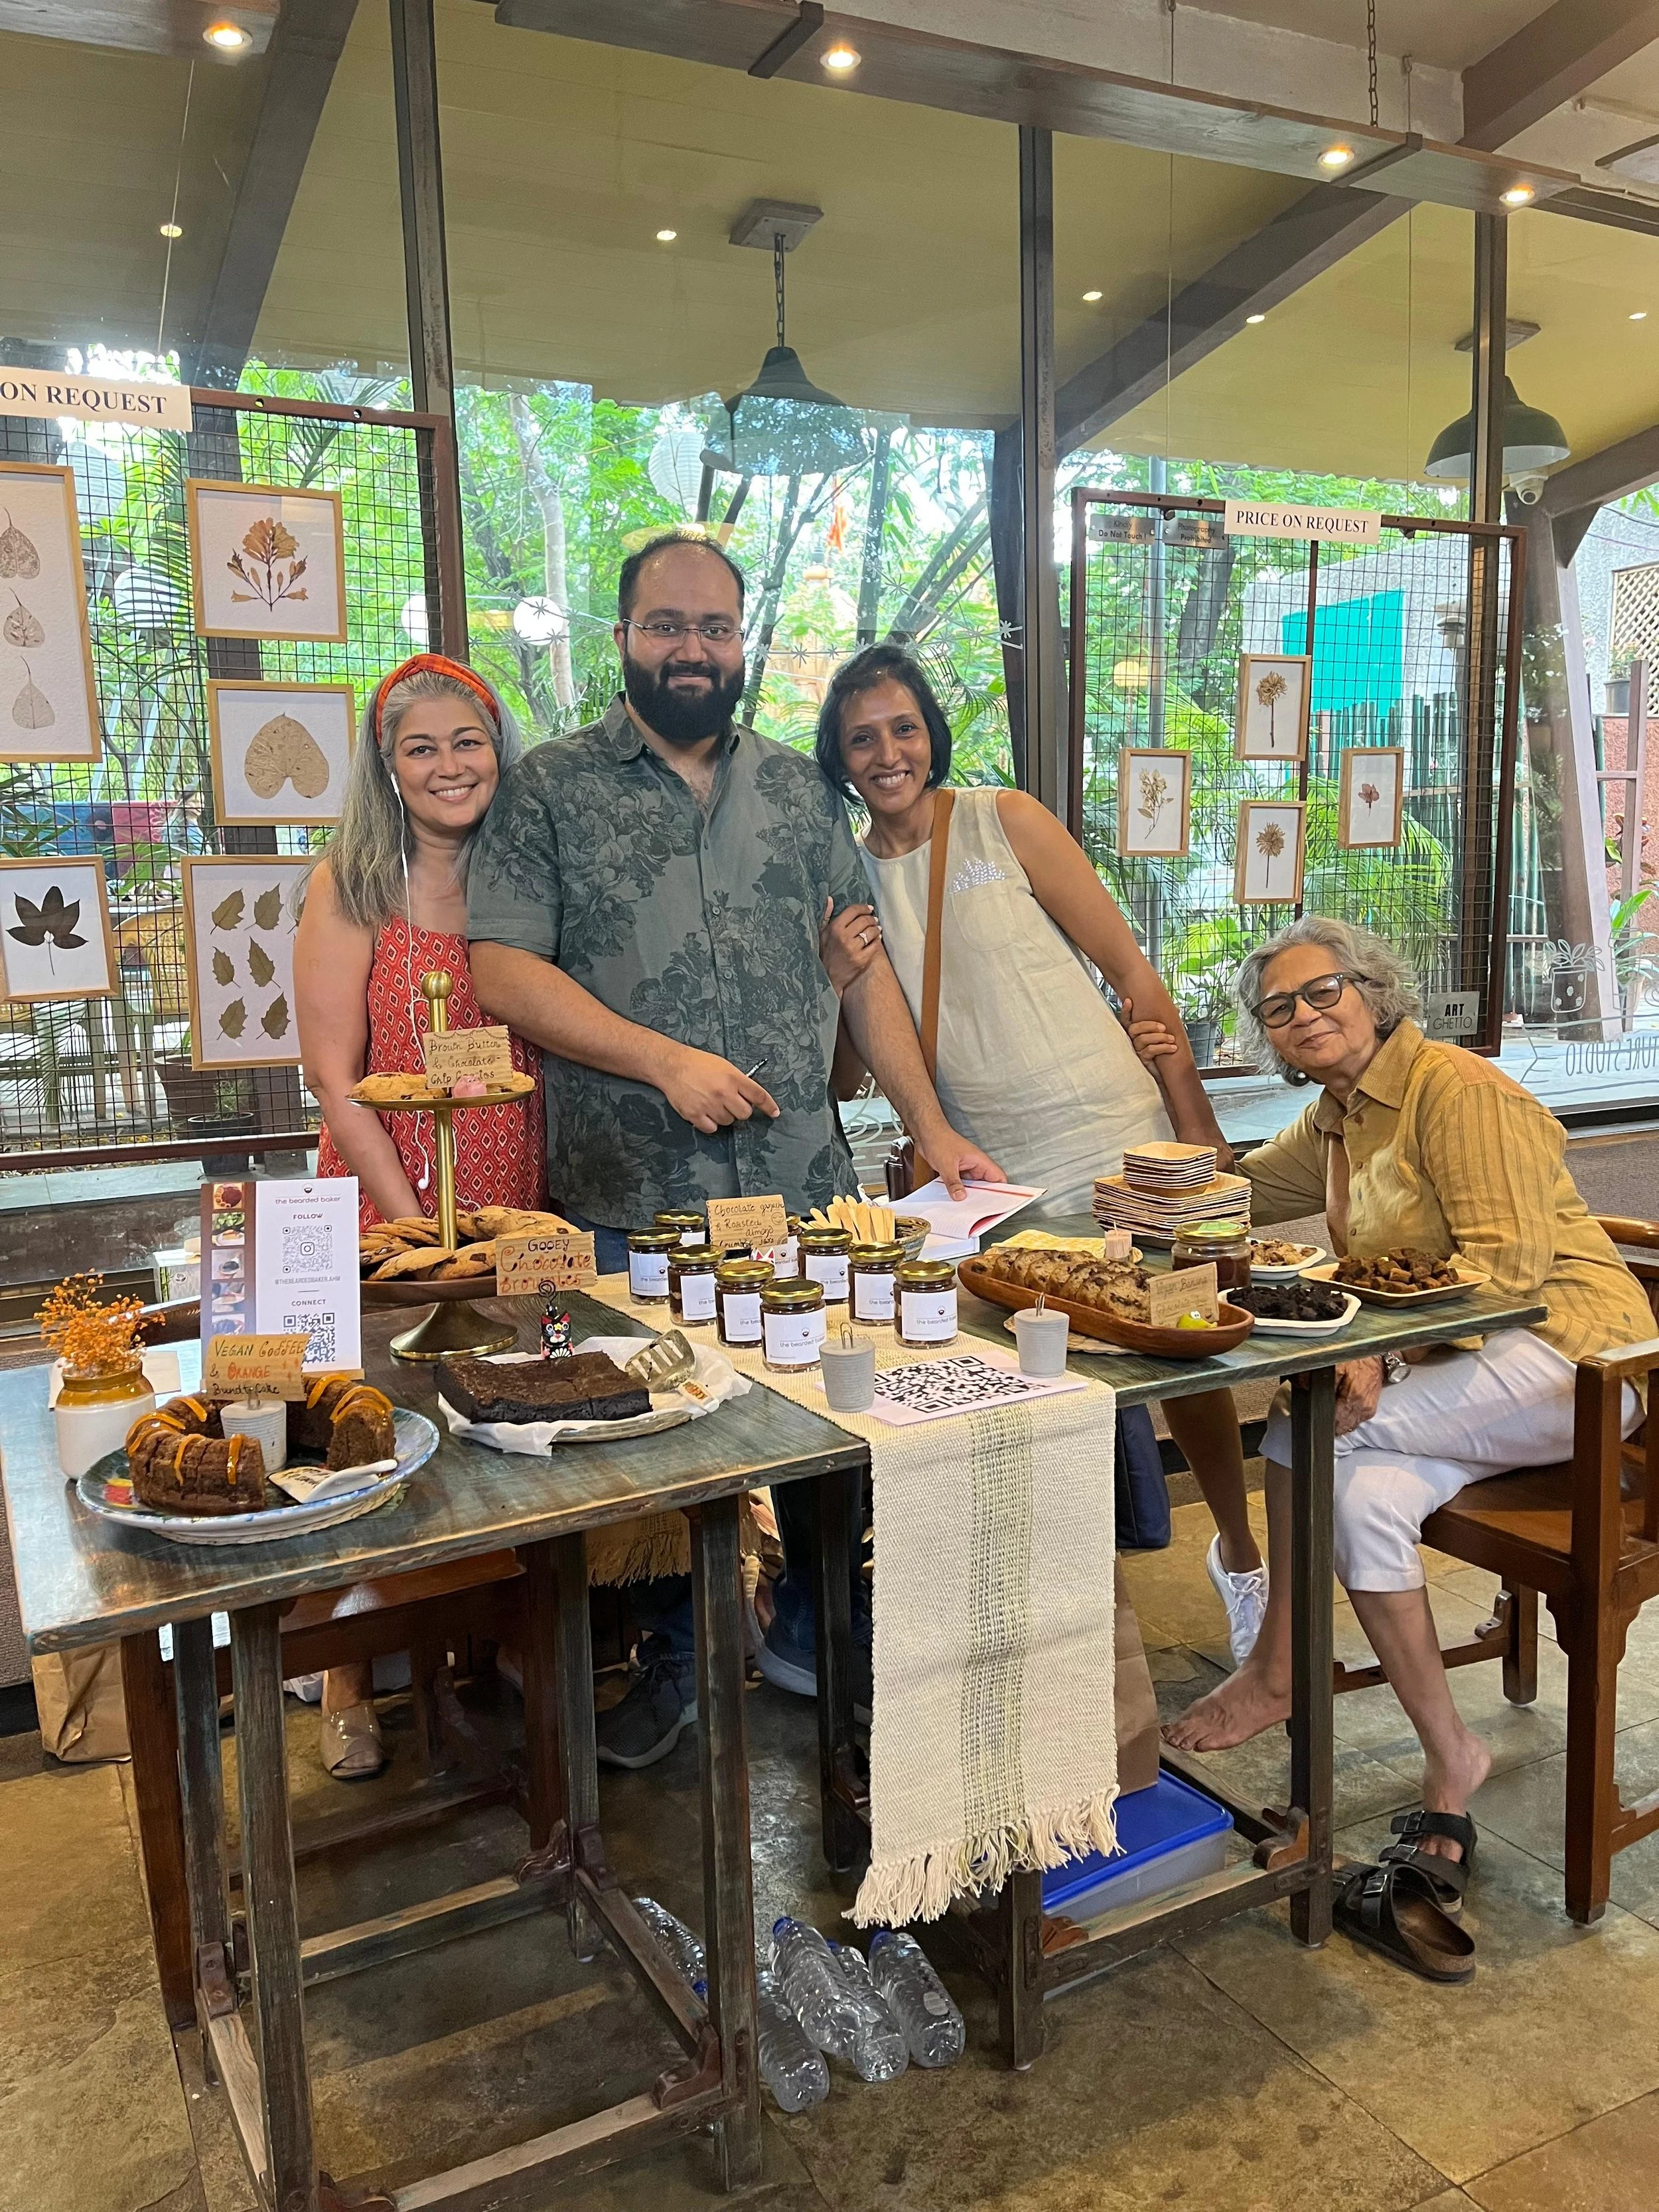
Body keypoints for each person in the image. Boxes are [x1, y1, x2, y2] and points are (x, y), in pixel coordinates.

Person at [466, 532, 1002, 1766]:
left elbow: (864, 979)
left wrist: (935, 1132)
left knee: (837, 1424)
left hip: (801, 1188)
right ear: (624, 639)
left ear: (741, 640)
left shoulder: (802, 794)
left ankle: (819, 1637)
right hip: (631, 1192)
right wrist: (661, 1060)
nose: (693, 650)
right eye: (668, 626)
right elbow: (499, 966)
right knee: (652, 1446)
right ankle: (677, 1664)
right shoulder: (549, 788)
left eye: (715, 628)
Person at [1145, 915, 1649, 1900]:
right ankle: (1450, 1755)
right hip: (1486, 1363)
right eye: (1279, 1008)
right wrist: (1167, 1091)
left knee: (1304, 1428)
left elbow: (1505, 1275)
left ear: (1373, 990)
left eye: (1322, 990)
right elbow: (1232, 1198)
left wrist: (1386, 1351)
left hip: (1580, 1359)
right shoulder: (1339, 1115)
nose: (1304, 1014)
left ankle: (1280, 1668)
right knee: (1366, 1496)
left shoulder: (1453, 1089)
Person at [814, 643, 1269, 1659]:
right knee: (1039, 1376)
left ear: (931, 730)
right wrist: (830, 973)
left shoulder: (1003, 818)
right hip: (990, 1172)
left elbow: (1128, 969)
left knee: (1184, 1352)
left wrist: (1185, 1107)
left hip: (1116, 1129)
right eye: (862, 737)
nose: (889, 752)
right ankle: (1070, 1614)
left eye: (903, 727)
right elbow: (849, 1075)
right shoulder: (842, 877)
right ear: (838, 759)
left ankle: (1240, 1555)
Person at [294, 653, 545, 1777]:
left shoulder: (526, 876)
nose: (450, 766)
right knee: (383, 1447)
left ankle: (492, 1652)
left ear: (499, 749)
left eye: (467, 741)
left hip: (516, 1200)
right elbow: (334, 1079)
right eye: (421, 748)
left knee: (501, 1441)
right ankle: (346, 1674)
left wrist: (492, 1234)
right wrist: (416, 1231)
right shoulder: (349, 883)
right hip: (388, 1202)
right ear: (388, 768)